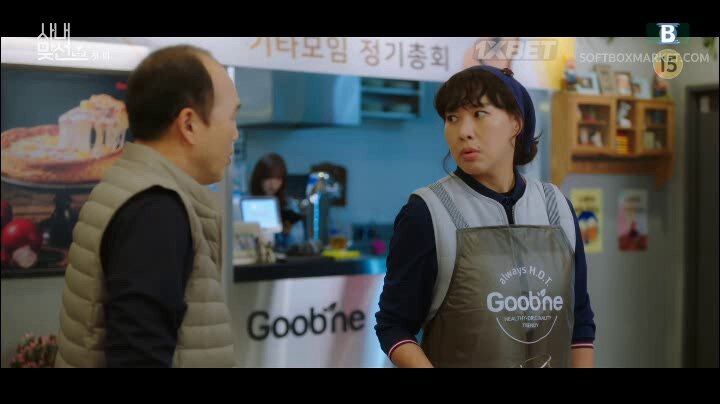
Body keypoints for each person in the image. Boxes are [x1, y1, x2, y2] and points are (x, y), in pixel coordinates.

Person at [375, 65, 596, 368]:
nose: (463, 131)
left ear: (516, 123)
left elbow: (580, 318)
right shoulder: (427, 212)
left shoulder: (555, 206)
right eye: (452, 118)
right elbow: (393, 324)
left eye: (479, 114)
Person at [55, 45, 241, 367]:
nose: (235, 133)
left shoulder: (130, 187)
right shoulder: (156, 210)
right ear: (189, 124)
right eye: (231, 117)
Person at [249, 153, 304, 250]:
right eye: (268, 178)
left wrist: (288, 233)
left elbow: (298, 242)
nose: (273, 184)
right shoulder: (248, 204)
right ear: (259, 178)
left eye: (278, 178)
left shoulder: (289, 205)